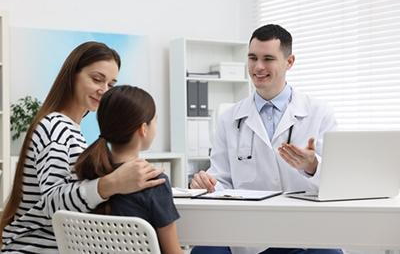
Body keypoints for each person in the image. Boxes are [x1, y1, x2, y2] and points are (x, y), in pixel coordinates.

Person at [190, 24, 342, 254]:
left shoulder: (319, 112)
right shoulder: (230, 117)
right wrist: (207, 184)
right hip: (250, 234)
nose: (258, 67)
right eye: (252, 58)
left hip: (304, 233)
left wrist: (312, 166)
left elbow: (338, 183)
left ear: (289, 62)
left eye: (268, 58)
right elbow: (221, 179)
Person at [1, 42, 165, 253]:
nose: (103, 90)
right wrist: (111, 183)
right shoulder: (55, 127)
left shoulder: (71, 131)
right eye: (97, 79)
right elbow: (53, 204)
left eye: (111, 84)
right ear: (73, 75)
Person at [75, 85, 182, 254]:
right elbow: (173, 252)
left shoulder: (89, 176)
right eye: (155, 120)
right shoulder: (153, 180)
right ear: (143, 129)